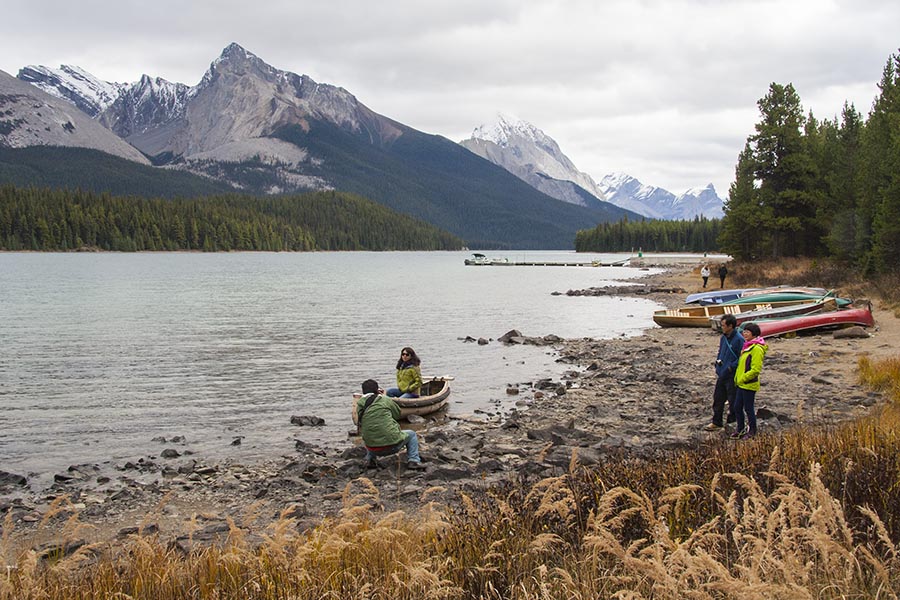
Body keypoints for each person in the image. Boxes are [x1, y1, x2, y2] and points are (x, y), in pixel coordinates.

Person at [356, 379, 425, 470]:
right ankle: (414, 460)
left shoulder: (359, 405)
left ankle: (370, 460)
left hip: (372, 448)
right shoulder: (384, 399)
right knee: (412, 434)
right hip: (392, 446)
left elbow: (361, 422)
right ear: (377, 390)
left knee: (372, 431)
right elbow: (397, 414)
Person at [704, 313, 744, 432]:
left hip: (732, 375)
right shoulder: (723, 338)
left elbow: (741, 358)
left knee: (733, 400)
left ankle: (731, 423)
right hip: (722, 373)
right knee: (718, 398)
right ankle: (717, 422)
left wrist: (731, 367)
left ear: (731, 326)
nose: (722, 327)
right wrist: (717, 365)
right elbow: (721, 352)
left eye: (723, 325)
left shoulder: (739, 340)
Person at [731, 322, 767, 439]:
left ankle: (752, 431)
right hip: (741, 383)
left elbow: (755, 369)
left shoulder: (756, 349)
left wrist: (743, 378)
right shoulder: (747, 346)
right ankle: (740, 429)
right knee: (737, 406)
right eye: (744, 331)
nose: (744, 334)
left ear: (754, 334)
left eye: (747, 332)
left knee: (748, 408)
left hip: (748, 383)